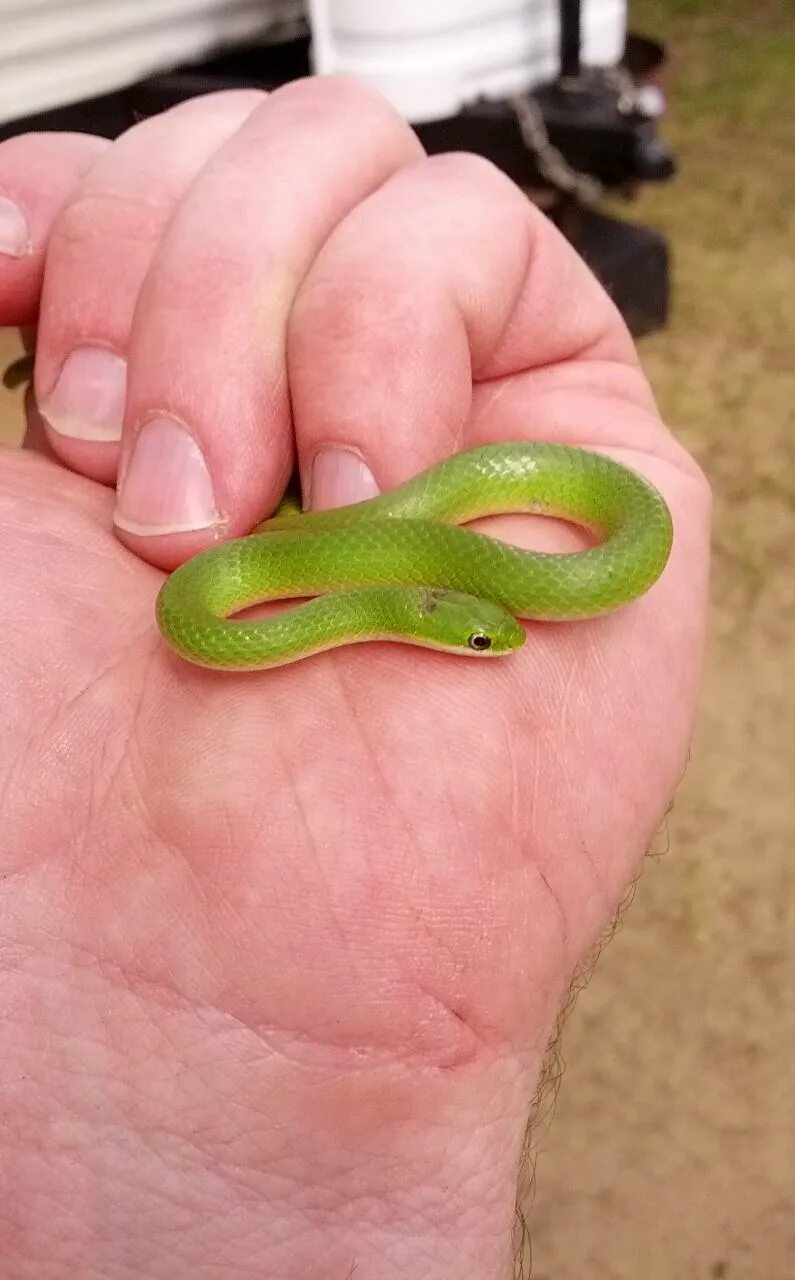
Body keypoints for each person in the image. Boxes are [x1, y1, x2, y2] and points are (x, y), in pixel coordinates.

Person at [0, 79, 710, 1278]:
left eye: (486, 631)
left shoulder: (428, 574)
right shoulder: (234, 616)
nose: (500, 643)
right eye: (485, 637)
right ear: (432, 622)